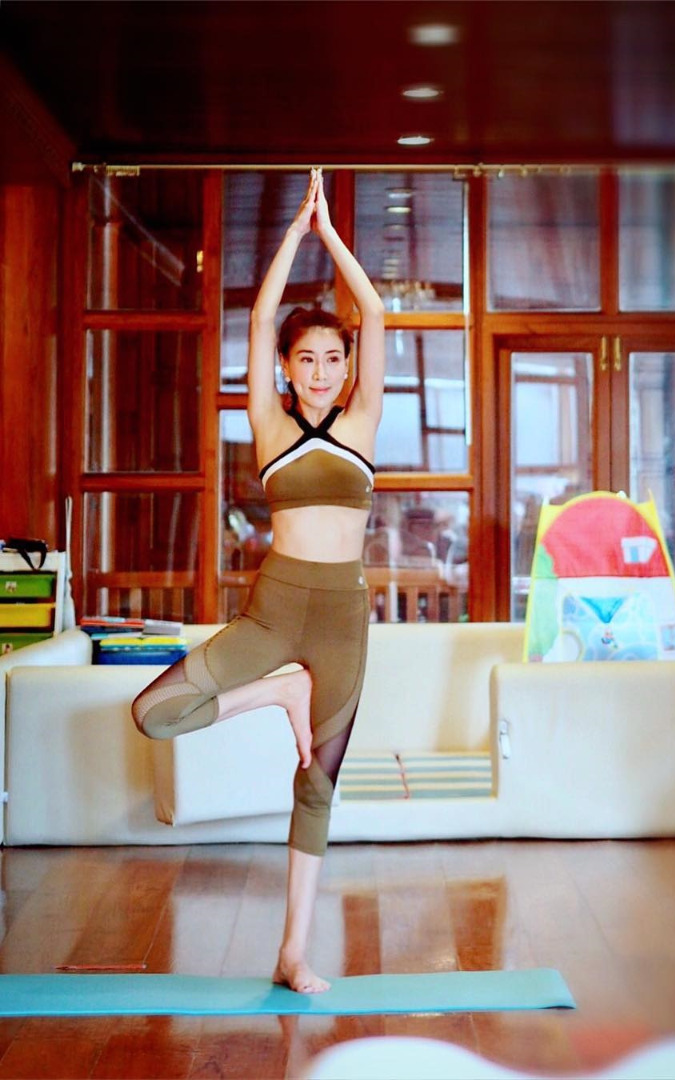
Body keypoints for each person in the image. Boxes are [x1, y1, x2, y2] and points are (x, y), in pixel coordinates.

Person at [131, 169, 385, 993]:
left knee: (318, 784)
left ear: (348, 367)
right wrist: (291, 235)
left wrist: (331, 236)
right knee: (154, 713)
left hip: (342, 619)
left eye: (334, 358)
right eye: (306, 358)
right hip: (274, 611)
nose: (322, 370)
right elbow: (259, 313)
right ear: (285, 366)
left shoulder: (362, 422)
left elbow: (375, 312)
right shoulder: (269, 424)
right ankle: (278, 693)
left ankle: (292, 954)